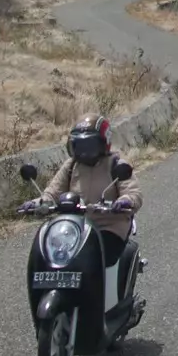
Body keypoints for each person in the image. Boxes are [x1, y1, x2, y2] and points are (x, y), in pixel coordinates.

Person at [38, 113, 141, 264]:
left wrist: (125, 201)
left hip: (108, 227)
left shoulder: (116, 164)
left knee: (94, 259)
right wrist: (41, 202)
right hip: (74, 228)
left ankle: (101, 287)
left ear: (103, 143)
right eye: (78, 145)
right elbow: (53, 191)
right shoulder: (71, 166)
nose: (83, 151)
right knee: (45, 254)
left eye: (89, 145)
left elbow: (133, 192)